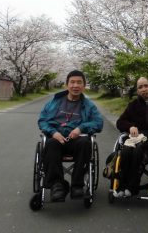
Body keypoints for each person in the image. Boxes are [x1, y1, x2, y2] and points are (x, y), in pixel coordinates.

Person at [38, 70, 104, 202]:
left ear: (84, 86)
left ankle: (77, 185)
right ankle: (57, 185)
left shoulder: (89, 106)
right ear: (67, 85)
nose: (75, 85)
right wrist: (53, 132)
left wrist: (81, 128)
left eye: (79, 82)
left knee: (85, 143)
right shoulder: (54, 102)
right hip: (57, 139)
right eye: (72, 82)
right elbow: (42, 120)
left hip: (77, 141)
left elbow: (98, 122)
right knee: (50, 144)